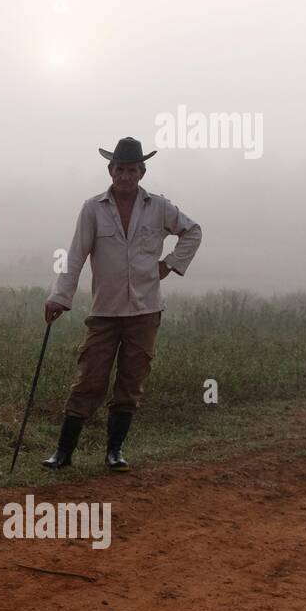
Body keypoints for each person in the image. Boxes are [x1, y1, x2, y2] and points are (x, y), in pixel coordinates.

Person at [41, 137, 202, 470]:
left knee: (131, 381)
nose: (125, 176)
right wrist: (60, 297)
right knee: (90, 380)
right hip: (105, 311)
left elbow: (193, 231)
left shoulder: (158, 207)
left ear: (141, 172)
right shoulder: (93, 208)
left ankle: (115, 452)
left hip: (145, 311)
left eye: (131, 170)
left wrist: (169, 263)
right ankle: (64, 453)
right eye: (119, 169)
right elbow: (75, 255)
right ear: (110, 170)